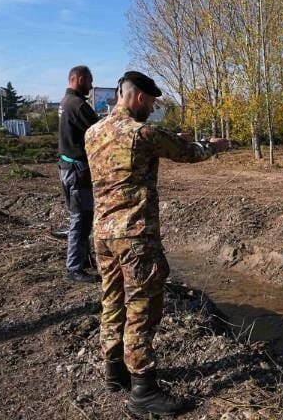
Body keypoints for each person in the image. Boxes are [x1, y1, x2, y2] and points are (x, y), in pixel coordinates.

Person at [85, 71, 228, 416]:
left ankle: (113, 370)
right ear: (136, 98)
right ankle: (144, 390)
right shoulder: (143, 133)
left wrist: (170, 138)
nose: (152, 108)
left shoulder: (92, 132)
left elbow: (146, 148)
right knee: (142, 308)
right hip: (135, 236)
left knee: (112, 298)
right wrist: (213, 146)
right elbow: (188, 152)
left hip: (102, 234)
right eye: (150, 102)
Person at [58, 65, 99, 283]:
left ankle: (82, 260)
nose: (91, 86)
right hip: (77, 172)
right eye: (90, 81)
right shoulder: (78, 105)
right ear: (79, 78)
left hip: (68, 169)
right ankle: (74, 268)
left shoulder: (65, 103)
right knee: (81, 218)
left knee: (83, 216)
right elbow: (101, 132)